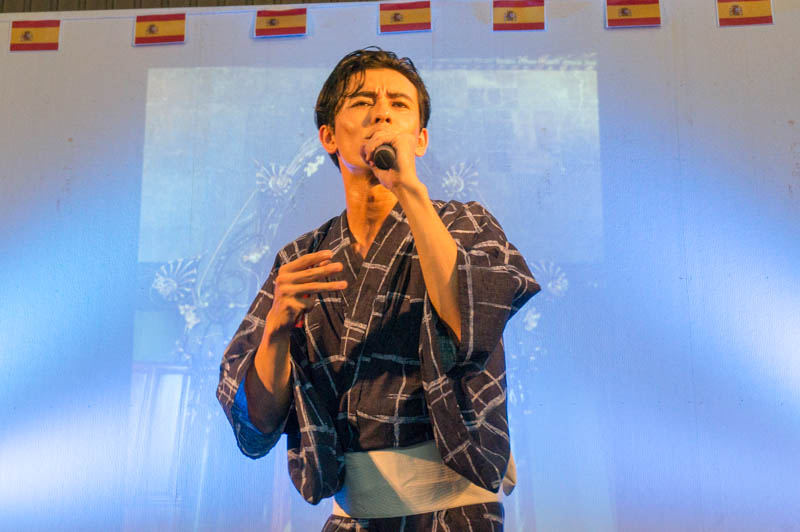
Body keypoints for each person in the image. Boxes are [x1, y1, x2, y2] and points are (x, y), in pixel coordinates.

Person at [217, 48, 540, 531]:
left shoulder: (467, 225)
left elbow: (470, 327)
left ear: (420, 139)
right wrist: (277, 332)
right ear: (328, 135)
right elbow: (256, 427)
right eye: (363, 101)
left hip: (456, 516)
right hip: (354, 518)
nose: (382, 112)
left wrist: (409, 189)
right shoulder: (300, 259)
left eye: (399, 104)